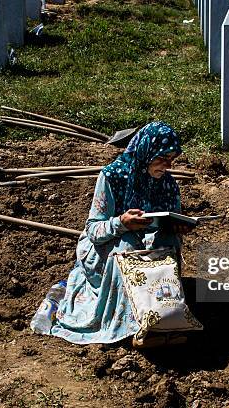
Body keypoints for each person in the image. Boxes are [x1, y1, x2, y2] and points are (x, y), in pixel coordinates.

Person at [50, 121, 190, 345]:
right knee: (126, 247)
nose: (166, 166)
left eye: (171, 160)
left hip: (149, 243)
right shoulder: (113, 177)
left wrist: (178, 227)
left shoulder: (168, 185)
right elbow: (93, 230)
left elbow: (170, 219)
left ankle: (167, 319)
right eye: (161, 158)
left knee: (169, 241)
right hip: (108, 245)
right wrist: (121, 223)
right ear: (147, 151)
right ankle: (135, 326)